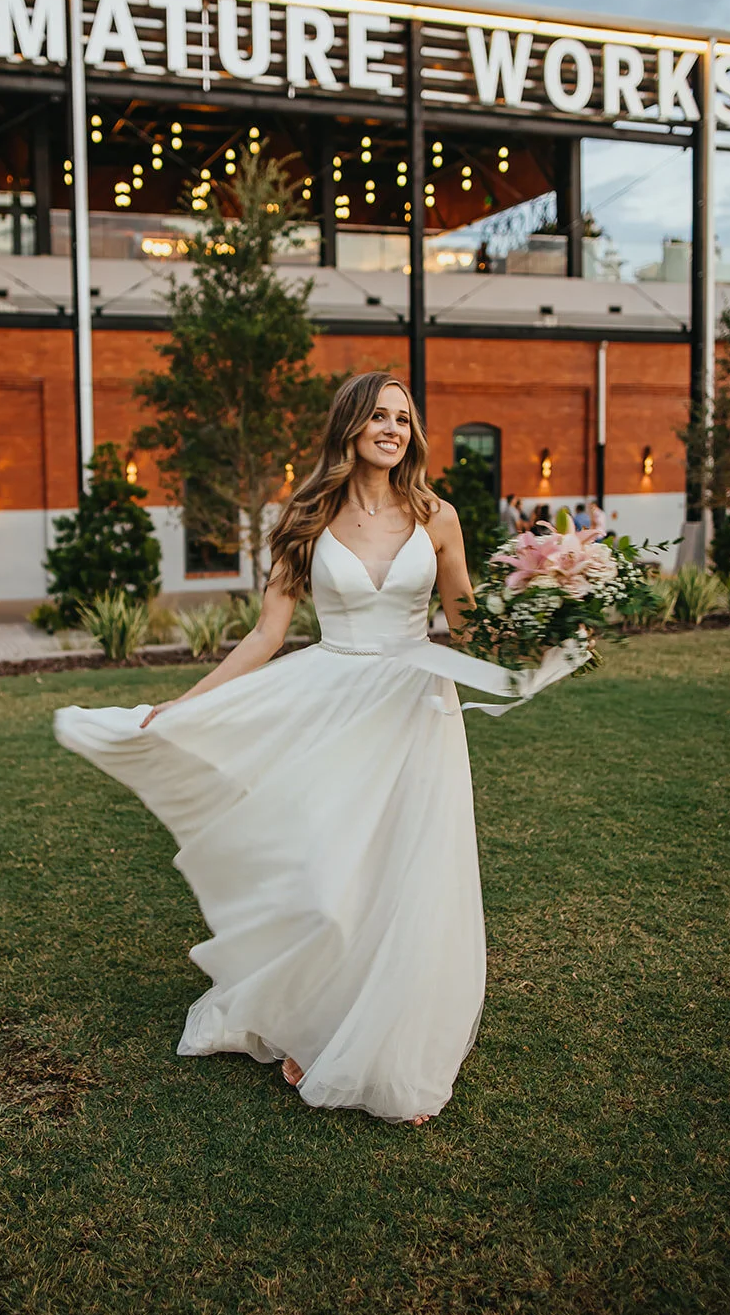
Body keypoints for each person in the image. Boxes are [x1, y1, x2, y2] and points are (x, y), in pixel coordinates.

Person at [55, 372, 482, 1127]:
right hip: (331, 702)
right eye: (378, 415)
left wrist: (553, 621)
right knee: (323, 879)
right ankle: (306, 1020)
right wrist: (183, 705)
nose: (392, 428)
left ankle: (389, 1049)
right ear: (349, 424)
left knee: (406, 880)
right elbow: (266, 635)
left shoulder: (437, 515)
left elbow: (470, 624)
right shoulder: (307, 515)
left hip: (417, 710)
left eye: (403, 419)